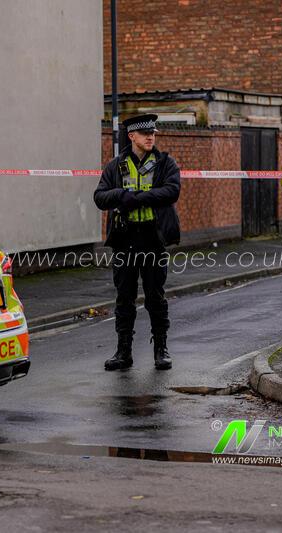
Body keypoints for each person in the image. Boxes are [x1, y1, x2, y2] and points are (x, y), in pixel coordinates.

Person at [94, 114, 181, 371]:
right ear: (132, 136)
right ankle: (123, 352)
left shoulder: (165, 163)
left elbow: (172, 190)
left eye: (152, 133)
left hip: (153, 238)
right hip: (125, 239)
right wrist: (121, 194)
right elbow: (99, 196)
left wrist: (140, 198)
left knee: (155, 295)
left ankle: (161, 349)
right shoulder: (116, 165)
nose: (150, 137)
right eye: (145, 134)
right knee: (124, 297)